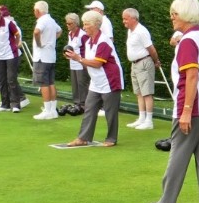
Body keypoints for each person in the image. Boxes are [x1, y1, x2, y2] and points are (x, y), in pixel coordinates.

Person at [146, 0, 199, 203]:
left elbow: (191, 77)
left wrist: (186, 111)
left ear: (187, 16)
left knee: (178, 154)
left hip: (195, 106)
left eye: (175, 13)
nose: (171, 17)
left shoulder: (188, 41)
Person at [64, 10, 124, 147]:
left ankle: (111, 139)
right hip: (96, 82)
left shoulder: (104, 41)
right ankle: (83, 138)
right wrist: (78, 58)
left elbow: (97, 63)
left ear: (96, 25)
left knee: (110, 111)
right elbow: (88, 61)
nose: (84, 27)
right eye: (84, 24)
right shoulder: (89, 41)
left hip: (110, 81)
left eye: (86, 24)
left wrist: (78, 58)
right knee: (89, 108)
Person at [123, 8, 161, 130]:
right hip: (134, 64)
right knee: (139, 92)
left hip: (144, 62)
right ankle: (141, 118)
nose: (124, 21)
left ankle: (149, 121)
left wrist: (156, 61)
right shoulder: (130, 31)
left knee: (147, 92)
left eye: (126, 19)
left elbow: (151, 49)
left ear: (134, 19)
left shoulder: (141, 31)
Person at [0, 6, 26, 113]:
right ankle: (5, 104)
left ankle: (16, 105)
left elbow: (17, 34)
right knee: (2, 80)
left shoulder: (8, 23)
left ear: (0, 14)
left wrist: (17, 44)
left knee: (11, 79)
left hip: (11, 54)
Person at [31, 0, 63, 120]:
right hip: (50, 56)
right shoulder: (51, 20)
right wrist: (52, 40)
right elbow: (60, 31)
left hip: (41, 57)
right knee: (51, 82)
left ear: (38, 11)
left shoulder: (42, 20)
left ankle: (48, 111)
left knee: (44, 84)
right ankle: (52, 110)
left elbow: (36, 31)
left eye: (35, 10)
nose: (34, 12)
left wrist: (39, 43)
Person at [64, 12, 90, 111]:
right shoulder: (70, 34)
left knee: (82, 83)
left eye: (69, 24)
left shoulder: (83, 35)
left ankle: (84, 105)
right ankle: (76, 103)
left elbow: (86, 49)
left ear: (76, 23)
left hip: (81, 63)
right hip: (72, 62)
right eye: (67, 23)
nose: (67, 25)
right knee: (75, 84)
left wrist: (83, 62)